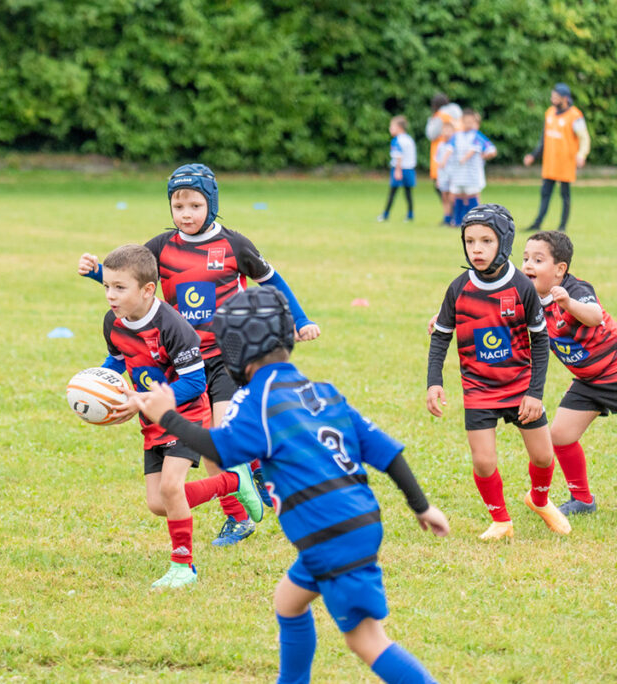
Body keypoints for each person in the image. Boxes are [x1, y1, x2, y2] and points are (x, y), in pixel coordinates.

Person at [131, 287, 449, 683]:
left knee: (367, 640)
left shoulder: (256, 403)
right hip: (355, 522)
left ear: (234, 351)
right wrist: (421, 506)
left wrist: (168, 417)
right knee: (289, 601)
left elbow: (218, 451)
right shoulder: (323, 392)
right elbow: (388, 454)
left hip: (329, 536)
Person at [78, 163, 320, 547]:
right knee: (210, 447)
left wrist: (301, 320)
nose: (186, 214)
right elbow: (131, 279)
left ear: (212, 203)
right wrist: (95, 274)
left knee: (221, 431)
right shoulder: (160, 247)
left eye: (194, 205)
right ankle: (237, 514)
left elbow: (272, 281)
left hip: (226, 354)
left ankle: (258, 467)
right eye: (178, 206)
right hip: (179, 360)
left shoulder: (234, 245)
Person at [94, 243, 263, 589]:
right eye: (107, 286)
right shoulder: (112, 321)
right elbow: (118, 358)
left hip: (185, 416)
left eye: (119, 288)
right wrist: (96, 382)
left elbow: (195, 383)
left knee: (173, 487)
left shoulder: (173, 327)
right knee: (159, 504)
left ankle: (183, 566)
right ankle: (232, 482)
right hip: (150, 422)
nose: (110, 295)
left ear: (147, 290)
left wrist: (141, 401)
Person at [426, 203, 570, 539]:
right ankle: (502, 521)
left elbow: (539, 342)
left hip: (521, 387)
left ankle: (539, 499)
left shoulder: (521, 287)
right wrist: (435, 383)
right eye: (470, 241)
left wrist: (535, 393)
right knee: (484, 462)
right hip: (479, 391)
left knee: (544, 456)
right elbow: (441, 338)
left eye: (486, 241)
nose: (476, 249)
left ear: (503, 243)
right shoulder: (458, 288)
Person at [522, 230, 617, 515]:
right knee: (561, 435)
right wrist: (446, 318)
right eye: (525, 258)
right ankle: (583, 500)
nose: (528, 265)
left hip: (614, 371)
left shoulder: (576, 290)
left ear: (560, 269)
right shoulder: (528, 301)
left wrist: (568, 304)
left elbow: (595, 316)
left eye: (538, 260)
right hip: (589, 381)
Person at [522, 83, 590, 232]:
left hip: (566, 162)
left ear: (565, 98)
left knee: (565, 195)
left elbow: (584, 138)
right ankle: (537, 223)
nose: (553, 99)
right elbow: (544, 139)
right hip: (550, 163)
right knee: (545, 194)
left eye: (556, 97)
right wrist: (533, 156)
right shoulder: (549, 113)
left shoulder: (575, 115)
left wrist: (581, 154)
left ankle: (562, 226)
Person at [448, 110, 497, 226]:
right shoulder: (457, 136)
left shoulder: (477, 136)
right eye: (465, 122)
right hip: (458, 173)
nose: (468, 124)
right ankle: (458, 220)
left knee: (472, 194)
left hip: (472, 173)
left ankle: (475, 219)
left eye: (470, 122)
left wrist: (483, 156)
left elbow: (492, 150)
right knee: (458, 194)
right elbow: (449, 149)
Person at [425, 93, 462, 204]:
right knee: (453, 187)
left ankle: (450, 214)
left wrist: (430, 122)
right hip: (456, 154)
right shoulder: (457, 115)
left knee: (441, 186)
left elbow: (431, 134)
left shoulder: (440, 116)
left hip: (441, 153)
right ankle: (453, 214)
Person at [377, 115, 416, 222]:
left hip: (399, 169)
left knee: (392, 193)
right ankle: (410, 214)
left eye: (392, 127)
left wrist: (398, 170)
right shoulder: (409, 139)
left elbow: (398, 156)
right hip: (410, 169)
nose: (390, 129)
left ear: (399, 127)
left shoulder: (397, 140)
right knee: (408, 193)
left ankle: (385, 214)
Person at [434, 120, 456, 226]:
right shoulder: (440, 145)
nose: (447, 132)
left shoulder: (455, 145)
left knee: (453, 197)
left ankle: (454, 217)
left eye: (449, 130)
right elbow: (438, 163)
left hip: (453, 175)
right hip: (443, 175)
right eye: (445, 130)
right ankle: (446, 217)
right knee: (444, 197)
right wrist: (438, 178)